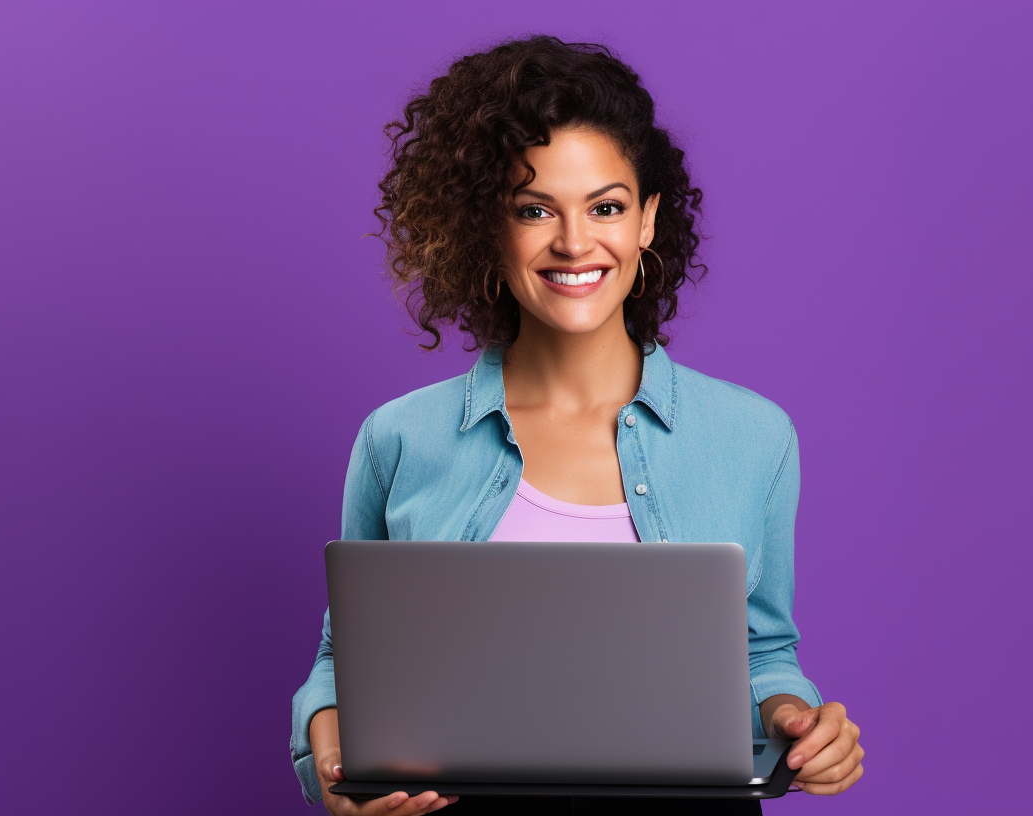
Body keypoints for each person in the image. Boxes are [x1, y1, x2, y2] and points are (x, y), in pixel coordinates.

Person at [290, 35, 865, 816]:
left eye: (606, 207)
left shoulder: (754, 436)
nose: (574, 242)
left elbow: (763, 649)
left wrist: (797, 719)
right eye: (534, 210)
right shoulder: (400, 439)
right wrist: (325, 751)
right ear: (488, 229)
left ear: (648, 222)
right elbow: (342, 659)